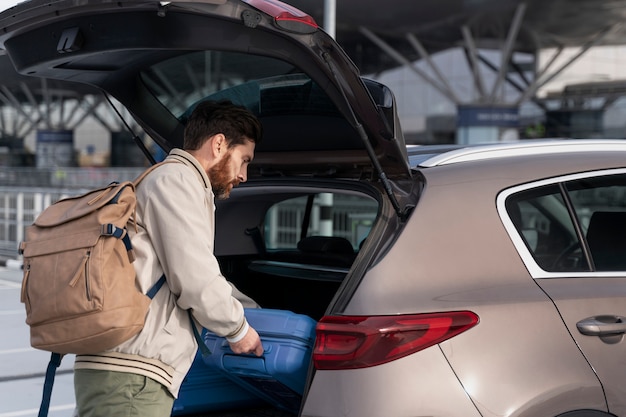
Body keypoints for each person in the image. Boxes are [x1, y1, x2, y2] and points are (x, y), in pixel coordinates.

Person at [73, 100, 265, 417]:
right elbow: (195, 279)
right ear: (219, 144)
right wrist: (239, 331)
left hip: (128, 370)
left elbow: (199, 272)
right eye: (244, 160)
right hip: (131, 375)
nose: (244, 174)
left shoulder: (176, 182)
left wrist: (253, 312)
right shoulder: (176, 181)